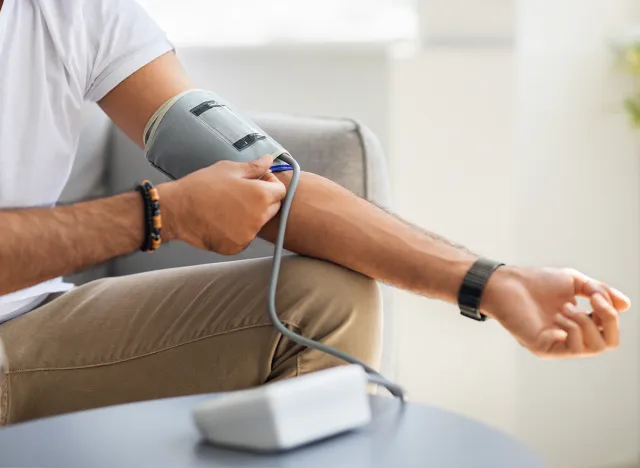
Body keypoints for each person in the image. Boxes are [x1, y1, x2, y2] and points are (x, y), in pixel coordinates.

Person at [0, 0, 631, 426]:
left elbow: (266, 175)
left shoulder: (74, 12)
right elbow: (167, 210)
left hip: (28, 325)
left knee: (327, 297)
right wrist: (154, 215)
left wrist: (493, 282)